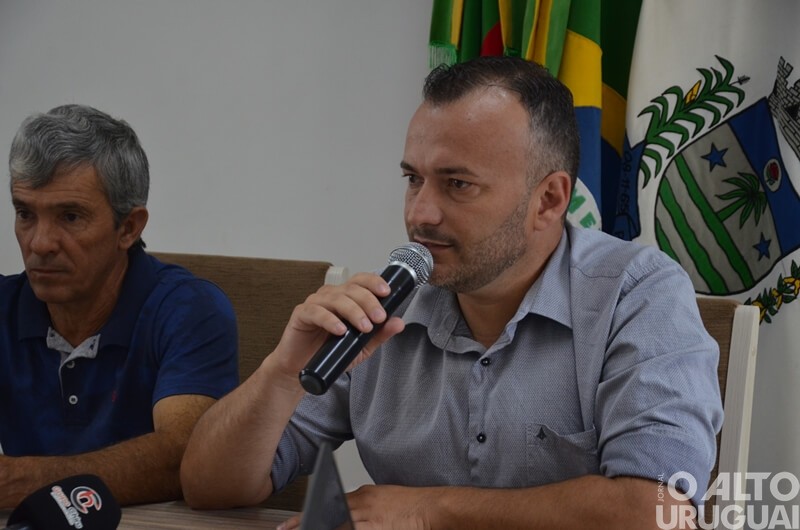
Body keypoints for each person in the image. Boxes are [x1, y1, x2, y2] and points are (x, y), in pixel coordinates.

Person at [180, 57, 723, 529]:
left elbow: (660, 513)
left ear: (550, 199)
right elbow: (210, 487)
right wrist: (281, 372)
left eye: (457, 184)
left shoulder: (638, 294)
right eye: (413, 179)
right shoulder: (385, 300)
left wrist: (428, 511)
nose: (419, 214)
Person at [0, 104, 239, 508]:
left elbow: (182, 458)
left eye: (70, 216)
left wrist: (20, 480)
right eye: (25, 213)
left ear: (128, 227)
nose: (39, 243)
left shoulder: (190, 309)